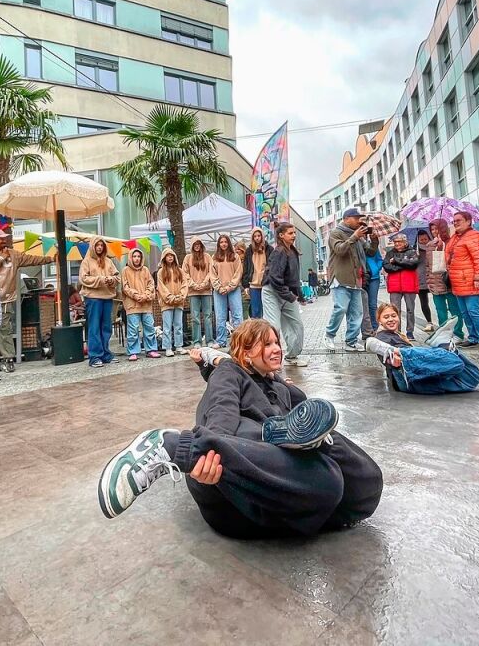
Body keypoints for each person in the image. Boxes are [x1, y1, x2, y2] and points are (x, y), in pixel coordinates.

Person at [96, 319, 384, 538]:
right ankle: (171, 447)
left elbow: (307, 408)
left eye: (277, 343)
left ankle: (288, 443)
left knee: (365, 482)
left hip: (274, 497)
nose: (277, 349)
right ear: (245, 354)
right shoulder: (229, 373)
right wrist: (204, 452)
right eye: (267, 344)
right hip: (224, 481)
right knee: (321, 475)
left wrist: (282, 384)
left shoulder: (280, 388)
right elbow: (221, 414)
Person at [0, 227, 56, 373]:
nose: (4, 240)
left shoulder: (13, 254)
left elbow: (31, 259)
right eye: (1, 238)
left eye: (5, 238)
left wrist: (51, 259)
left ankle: (8, 358)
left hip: (7, 297)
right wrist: (1, 258)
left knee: (5, 328)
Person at [364, 304, 479, 394]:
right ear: (379, 320)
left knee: (473, 377)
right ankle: (441, 346)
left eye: (393, 316)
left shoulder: (397, 335)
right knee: (453, 361)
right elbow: (386, 358)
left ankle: (445, 346)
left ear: (398, 317)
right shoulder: (382, 336)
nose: (390, 319)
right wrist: (391, 360)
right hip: (406, 377)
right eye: (386, 317)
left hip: (417, 377)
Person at [324, 208, 376, 352]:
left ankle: (351, 341)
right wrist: (354, 237)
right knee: (340, 308)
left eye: (361, 218)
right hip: (340, 278)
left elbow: (370, 252)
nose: (360, 220)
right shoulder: (336, 233)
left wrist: (375, 240)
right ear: (346, 218)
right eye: (356, 217)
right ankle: (329, 335)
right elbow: (340, 250)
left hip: (356, 279)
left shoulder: (359, 236)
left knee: (357, 312)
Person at [262, 221, 308, 367]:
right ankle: (266, 359)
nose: (294, 235)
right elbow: (274, 278)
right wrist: (290, 296)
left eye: (294, 233)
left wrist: (299, 296)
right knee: (273, 327)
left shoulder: (293, 251)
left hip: (286, 292)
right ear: (281, 236)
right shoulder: (278, 252)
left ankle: (292, 356)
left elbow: (295, 278)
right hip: (272, 292)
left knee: (297, 325)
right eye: (290, 233)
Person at [445, 211, 479, 349]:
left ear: (468, 221)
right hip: (459, 280)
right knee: (465, 312)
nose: (455, 223)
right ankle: (473, 337)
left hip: (470, 280)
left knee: (474, 311)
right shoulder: (456, 237)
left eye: (458, 220)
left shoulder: (474, 236)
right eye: (454, 221)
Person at [79, 237, 120, 368]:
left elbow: (117, 277)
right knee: (94, 327)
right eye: (97, 245)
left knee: (106, 327)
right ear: (93, 246)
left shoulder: (108, 261)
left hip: (107, 297)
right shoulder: (86, 261)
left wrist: (112, 280)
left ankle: (106, 354)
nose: (100, 247)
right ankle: (94, 356)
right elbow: (83, 279)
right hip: (93, 298)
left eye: (102, 245)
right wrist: (101, 280)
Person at [424, 219, 463, 341]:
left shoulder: (452, 242)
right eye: (432, 229)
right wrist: (429, 280)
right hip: (435, 283)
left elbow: (456, 260)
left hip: (449, 281)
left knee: (455, 309)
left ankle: (458, 333)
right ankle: (443, 334)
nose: (435, 231)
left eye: (437, 229)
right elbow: (428, 266)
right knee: (440, 310)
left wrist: (443, 247)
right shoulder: (430, 245)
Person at [121, 248, 160, 360]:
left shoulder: (146, 270)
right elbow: (125, 287)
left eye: (138, 256)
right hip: (132, 305)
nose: (136, 259)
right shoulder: (125, 270)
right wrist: (136, 295)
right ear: (130, 258)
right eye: (134, 256)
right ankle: (133, 351)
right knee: (133, 329)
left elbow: (151, 284)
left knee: (149, 328)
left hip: (146, 304)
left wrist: (145, 295)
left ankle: (151, 349)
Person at [382, 233, 420, 339]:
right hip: (394, 285)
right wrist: (402, 266)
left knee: (410, 309)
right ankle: (396, 331)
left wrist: (396, 261)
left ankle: (410, 332)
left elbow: (413, 264)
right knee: (395, 311)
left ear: (405, 242)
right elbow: (386, 266)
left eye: (399, 241)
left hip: (409, 284)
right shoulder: (390, 253)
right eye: (395, 242)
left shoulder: (412, 252)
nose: (397, 244)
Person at [210, 234, 243, 348]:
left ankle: (239, 341)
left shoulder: (235, 257)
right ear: (218, 244)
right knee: (220, 316)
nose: (223, 244)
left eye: (225, 242)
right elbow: (212, 275)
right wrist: (219, 287)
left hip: (233, 289)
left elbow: (238, 273)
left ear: (228, 243)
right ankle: (221, 340)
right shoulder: (214, 258)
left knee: (237, 315)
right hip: (219, 291)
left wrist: (230, 286)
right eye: (221, 242)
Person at [156, 246, 188, 357]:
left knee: (179, 325)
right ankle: (168, 347)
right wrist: (170, 298)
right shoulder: (160, 272)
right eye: (168, 256)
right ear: (164, 258)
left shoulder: (180, 271)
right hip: (166, 304)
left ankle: (179, 346)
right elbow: (161, 287)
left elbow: (185, 284)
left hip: (179, 302)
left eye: (171, 255)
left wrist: (181, 296)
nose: (170, 257)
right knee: (167, 326)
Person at [183, 237, 215, 348]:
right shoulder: (187, 258)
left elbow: (211, 272)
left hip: (206, 291)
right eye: (195, 244)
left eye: (199, 244)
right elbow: (185, 273)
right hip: (193, 292)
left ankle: (209, 340)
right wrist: (193, 284)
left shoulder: (208, 257)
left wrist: (204, 284)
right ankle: (197, 341)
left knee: (208, 316)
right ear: (192, 246)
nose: (197, 246)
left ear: (201, 245)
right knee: (195, 317)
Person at [241, 228, 272, 320]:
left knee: (267, 310)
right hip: (253, 285)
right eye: (255, 236)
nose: (257, 238)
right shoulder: (249, 250)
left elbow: (272, 266)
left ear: (262, 236)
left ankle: (268, 332)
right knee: (255, 311)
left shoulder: (269, 249)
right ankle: (257, 333)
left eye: (259, 236)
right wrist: (246, 285)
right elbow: (246, 268)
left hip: (266, 284)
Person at [362, 239, 384, 337]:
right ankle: (366, 329)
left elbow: (379, 259)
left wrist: (376, 269)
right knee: (363, 305)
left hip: (374, 278)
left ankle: (375, 327)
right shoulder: (358, 245)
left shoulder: (373, 247)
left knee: (372, 304)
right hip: (362, 278)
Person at [414, 231, 434, 332]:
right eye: (421, 240)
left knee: (438, 301)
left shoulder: (433, 247)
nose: (424, 241)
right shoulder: (414, 250)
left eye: (425, 239)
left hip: (434, 278)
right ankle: (429, 322)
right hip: (420, 278)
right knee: (424, 302)